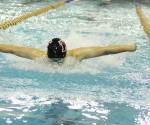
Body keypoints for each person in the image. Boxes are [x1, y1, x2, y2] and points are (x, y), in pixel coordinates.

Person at [0, 38, 136, 62]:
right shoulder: (75, 56)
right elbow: (106, 50)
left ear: (47, 52)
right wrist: (129, 47)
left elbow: (12, 49)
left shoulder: (38, 57)